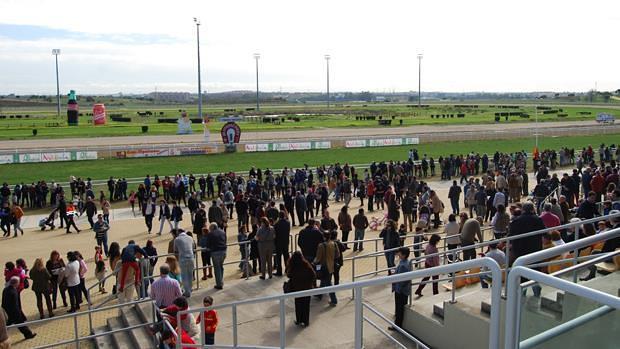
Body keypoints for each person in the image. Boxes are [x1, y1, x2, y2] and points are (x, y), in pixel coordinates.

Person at [508, 202, 546, 297]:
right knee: (535, 271)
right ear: (533, 209)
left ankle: (522, 293)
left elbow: (510, 236)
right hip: (535, 250)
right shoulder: (538, 219)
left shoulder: (516, 221)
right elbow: (545, 233)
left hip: (520, 251)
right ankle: (536, 289)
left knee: (522, 273)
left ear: (523, 210)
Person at [286, 251, 316, 327]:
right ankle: (306, 321)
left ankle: (299, 320)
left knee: (298, 305)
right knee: (306, 306)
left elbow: (288, 275)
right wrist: (309, 283)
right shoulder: (306, 265)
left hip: (297, 289)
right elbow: (313, 275)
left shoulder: (292, 266)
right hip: (307, 289)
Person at [388, 247, 412, 331]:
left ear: (404, 255)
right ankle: (397, 323)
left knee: (399, 308)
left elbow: (402, 280)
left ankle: (397, 325)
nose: (398, 254)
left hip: (400, 291)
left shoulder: (403, 265)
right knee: (400, 307)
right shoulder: (406, 262)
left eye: (400, 253)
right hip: (403, 290)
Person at [314, 231, 340, 306]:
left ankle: (334, 300)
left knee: (328, 283)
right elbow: (337, 255)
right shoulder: (334, 243)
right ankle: (319, 294)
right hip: (331, 266)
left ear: (324, 237)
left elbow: (318, 258)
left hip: (324, 267)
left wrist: (314, 262)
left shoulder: (321, 245)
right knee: (324, 281)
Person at [174, 230, 195, 297]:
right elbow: (193, 247)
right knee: (190, 275)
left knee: (184, 276)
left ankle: (187, 292)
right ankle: (190, 289)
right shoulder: (190, 238)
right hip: (191, 258)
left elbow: (175, 250)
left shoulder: (177, 239)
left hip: (183, 258)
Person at [206, 223, 227, 290]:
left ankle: (219, 284)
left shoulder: (210, 234)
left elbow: (208, 245)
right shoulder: (222, 232)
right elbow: (225, 241)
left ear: (212, 228)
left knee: (217, 268)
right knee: (221, 267)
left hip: (215, 252)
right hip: (223, 251)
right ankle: (221, 281)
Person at [273, 212, 291, 276]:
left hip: (278, 242)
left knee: (279, 257)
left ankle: (279, 271)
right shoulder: (288, 223)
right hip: (286, 241)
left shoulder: (276, 224)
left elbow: (275, 234)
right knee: (286, 256)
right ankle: (288, 270)